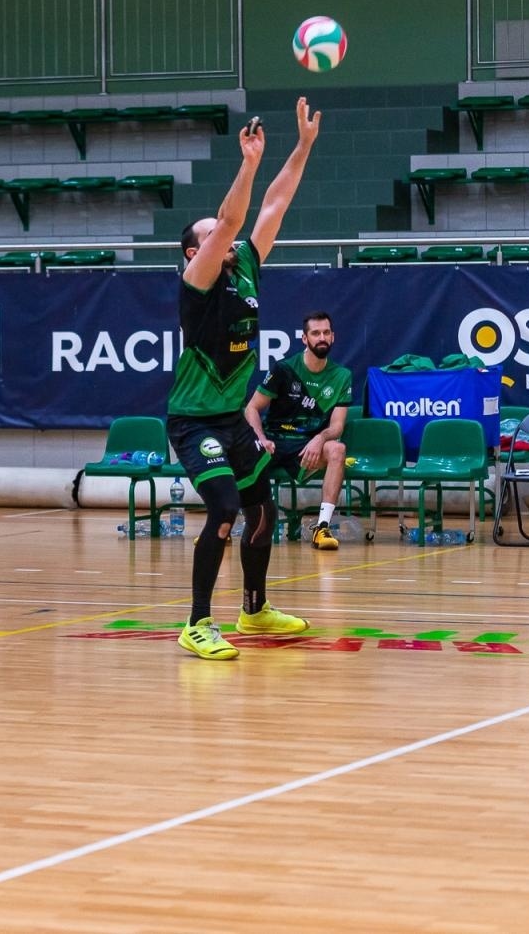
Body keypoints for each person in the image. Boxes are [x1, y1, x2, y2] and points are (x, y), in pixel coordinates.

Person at [167, 99, 322, 661]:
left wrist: (301, 146)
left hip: (232, 420)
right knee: (226, 508)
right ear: (195, 251)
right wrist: (249, 163)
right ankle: (197, 623)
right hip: (193, 423)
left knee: (264, 510)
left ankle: (254, 609)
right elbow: (231, 219)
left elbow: (275, 205)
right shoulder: (198, 281)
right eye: (213, 236)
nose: (227, 239)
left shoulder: (246, 264)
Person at [245, 311, 352, 550]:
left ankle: (322, 528)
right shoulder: (284, 369)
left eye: (326, 333)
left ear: (333, 337)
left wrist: (319, 438)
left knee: (337, 450)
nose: (321, 337)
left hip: (306, 447)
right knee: (237, 451)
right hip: (273, 441)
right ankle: (223, 525)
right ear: (305, 339)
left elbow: (337, 426)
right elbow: (252, 408)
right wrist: (260, 438)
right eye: (315, 333)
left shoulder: (342, 376)